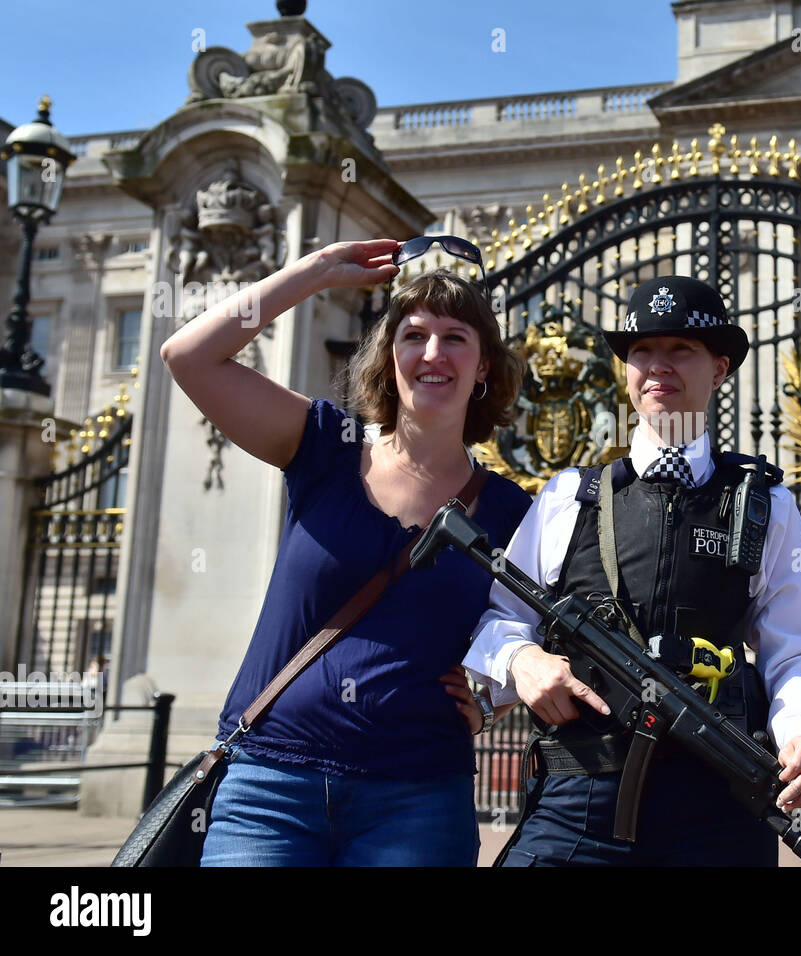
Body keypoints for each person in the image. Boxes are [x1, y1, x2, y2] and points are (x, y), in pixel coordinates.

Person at [159, 236, 530, 866]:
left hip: (416, 799)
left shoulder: (510, 513)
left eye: (455, 338)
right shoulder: (326, 447)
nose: (432, 353)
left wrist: (496, 695)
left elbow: (552, 627)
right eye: (412, 335)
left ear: (484, 367)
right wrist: (312, 274)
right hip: (269, 788)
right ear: (389, 359)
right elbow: (188, 356)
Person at [464, 275, 801, 866]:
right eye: (642, 350)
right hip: (579, 797)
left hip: (715, 806)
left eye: (681, 350)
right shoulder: (570, 496)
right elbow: (501, 617)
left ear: (719, 370)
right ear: (625, 369)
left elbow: (795, 648)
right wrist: (522, 660)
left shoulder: (765, 505)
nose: (658, 366)